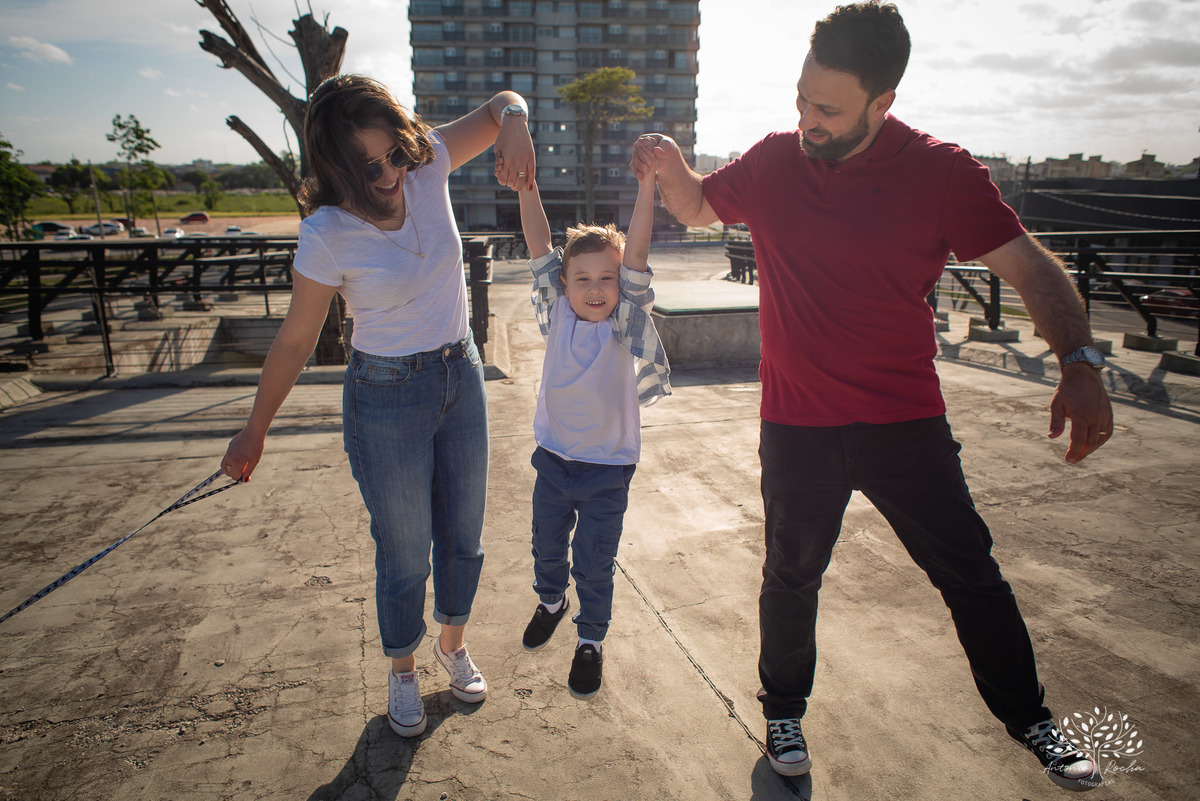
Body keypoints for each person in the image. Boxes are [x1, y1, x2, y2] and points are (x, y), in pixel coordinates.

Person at [632, 1, 1112, 791]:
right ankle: (783, 710)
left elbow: (1031, 268)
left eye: (827, 109)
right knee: (791, 574)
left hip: (905, 422)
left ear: (882, 103)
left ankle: (1031, 718)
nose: (807, 120)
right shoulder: (775, 160)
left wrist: (1081, 361)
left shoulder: (943, 172)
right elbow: (694, 204)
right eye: (800, 99)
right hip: (797, 425)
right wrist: (670, 160)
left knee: (970, 571)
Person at [219, 74, 536, 739]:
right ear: (337, 168)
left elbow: (500, 103)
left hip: (461, 374)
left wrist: (515, 120)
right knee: (403, 548)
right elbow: (297, 339)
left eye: (395, 151)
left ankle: (452, 643)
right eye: (371, 166)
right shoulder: (327, 230)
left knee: (465, 534)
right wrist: (255, 428)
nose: (391, 172)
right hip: (386, 394)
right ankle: (402, 669)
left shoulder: (428, 165)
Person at [508, 146, 670, 698]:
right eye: (582, 279)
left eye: (607, 277)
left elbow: (639, 248)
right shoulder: (555, 315)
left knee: (594, 562)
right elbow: (538, 244)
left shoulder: (624, 321)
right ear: (564, 284)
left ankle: (590, 640)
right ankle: (551, 601)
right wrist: (527, 189)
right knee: (547, 549)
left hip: (607, 472)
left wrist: (647, 187)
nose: (596, 288)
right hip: (553, 462)